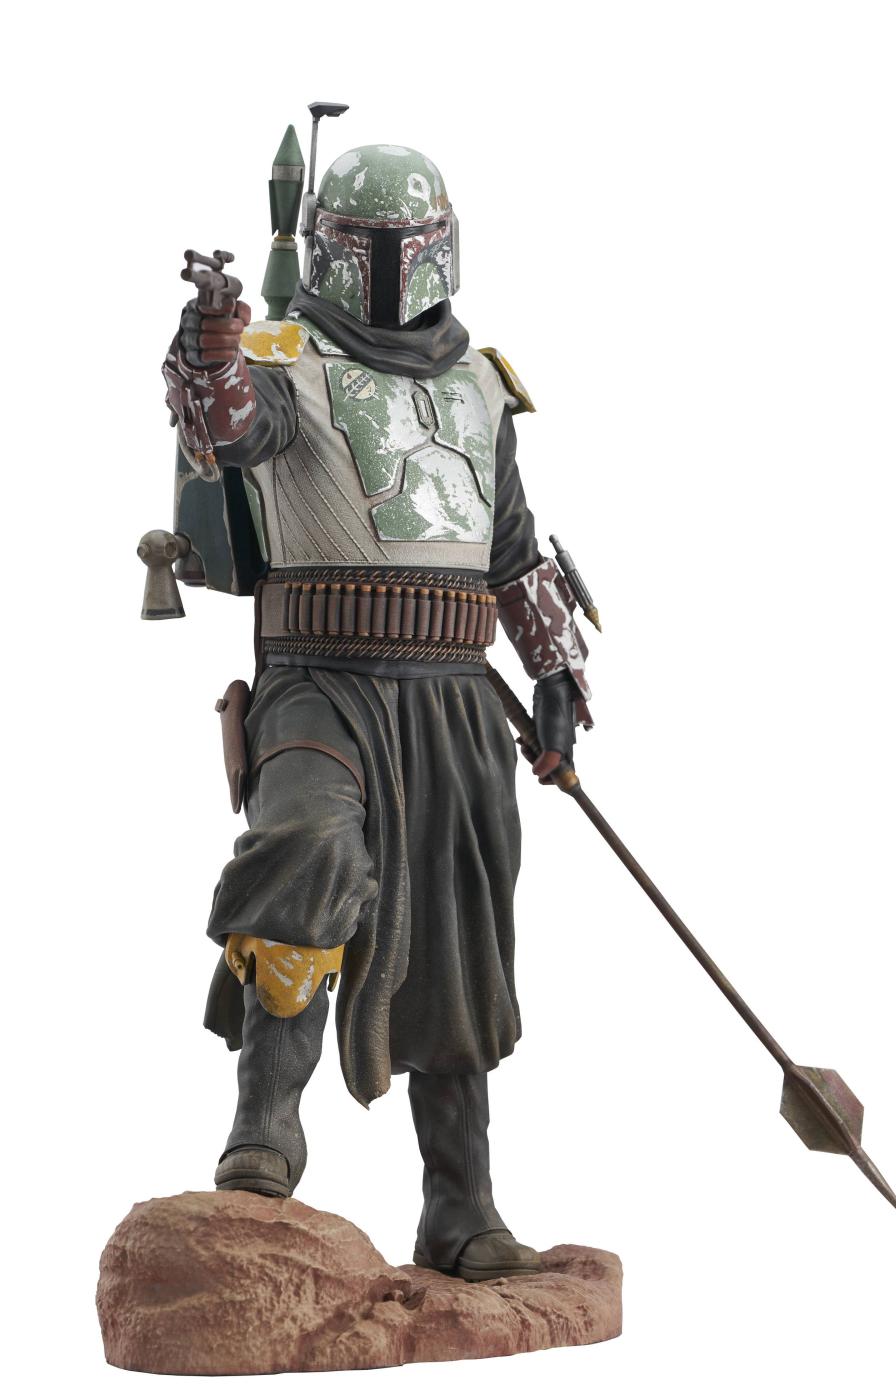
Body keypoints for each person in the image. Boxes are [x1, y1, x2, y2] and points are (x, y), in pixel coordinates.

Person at [162, 143, 593, 1282]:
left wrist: (555, 674)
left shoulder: (481, 384)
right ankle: (265, 1125)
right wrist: (214, 341)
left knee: (458, 934)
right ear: (333, 250)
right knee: (303, 847)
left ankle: (461, 1207)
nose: (396, 267)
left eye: (409, 245)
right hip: (319, 680)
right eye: (374, 248)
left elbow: (510, 545)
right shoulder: (282, 360)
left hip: (454, 698)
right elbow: (226, 430)